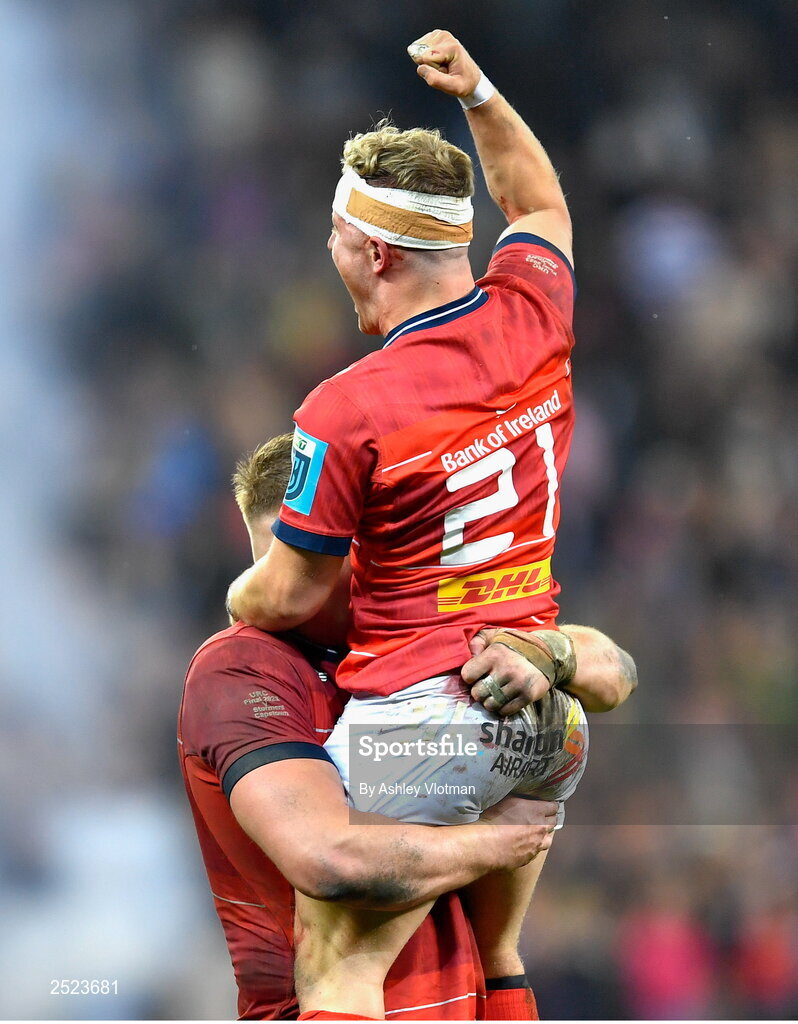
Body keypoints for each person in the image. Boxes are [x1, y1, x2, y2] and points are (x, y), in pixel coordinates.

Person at [225, 30, 623, 1018]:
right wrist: (481, 91)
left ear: (375, 250)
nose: (330, 255)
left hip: (426, 719)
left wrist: (235, 590)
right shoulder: (535, 308)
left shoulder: (348, 408)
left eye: (334, 237)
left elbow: (294, 591)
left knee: (336, 966)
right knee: (495, 958)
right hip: (541, 710)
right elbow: (537, 203)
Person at [181, 435, 636, 1020]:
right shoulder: (241, 669)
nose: (290, 596)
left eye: (309, 564)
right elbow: (327, 859)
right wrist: (496, 845)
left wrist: (550, 654)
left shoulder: (422, 626)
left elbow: (616, 672)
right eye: (272, 569)